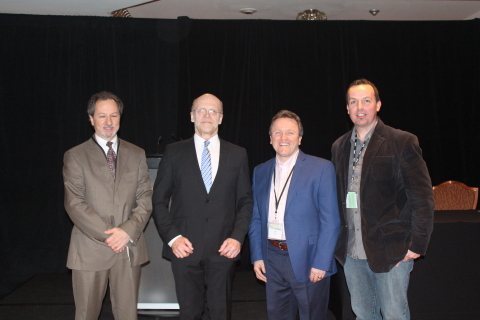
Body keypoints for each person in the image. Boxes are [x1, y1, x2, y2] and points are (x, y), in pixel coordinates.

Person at [331, 79, 434, 319]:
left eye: (366, 101)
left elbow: (422, 198)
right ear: (347, 108)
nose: (360, 107)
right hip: (352, 250)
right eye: (353, 102)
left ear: (378, 105)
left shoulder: (402, 141)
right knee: (364, 314)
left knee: (394, 314)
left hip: (392, 250)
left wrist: (416, 245)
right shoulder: (339, 146)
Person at [151, 93, 253, 320]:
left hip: (224, 249)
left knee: (221, 313)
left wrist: (237, 237)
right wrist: (173, 238)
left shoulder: (237, 154)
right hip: (184, 249)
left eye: (213, 111)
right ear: (191, 116)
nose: (207, 115)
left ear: (221, 118)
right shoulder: (174, 152)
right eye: (201, 110)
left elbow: (245, 201)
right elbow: (158, 200)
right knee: (189, 313)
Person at [63, 91, 152, 320]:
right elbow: (74, 204)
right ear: (91, 119)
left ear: (120, 118)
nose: (109, 122)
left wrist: (126, 232)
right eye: (102, 116)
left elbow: (145, 199)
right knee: (86, 315)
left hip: (129, 249)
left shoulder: (137, 154)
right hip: (89, 250)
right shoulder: (75, 156)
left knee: (127, 315)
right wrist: (111, 236)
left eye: (114, 115)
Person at [248, 110, 340, 320]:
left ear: (299, 138)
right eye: (278, 132)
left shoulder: (321, 168)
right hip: (271, 257)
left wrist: (321, 263)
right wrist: (257, 255)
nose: (283, 138)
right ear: (270, 138)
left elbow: (331, 222)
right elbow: (256, 217)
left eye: (290, 132)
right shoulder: (260, 171)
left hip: (309, 260)